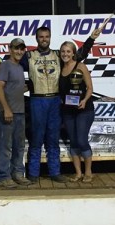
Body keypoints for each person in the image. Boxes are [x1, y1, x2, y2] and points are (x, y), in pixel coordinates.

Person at [19, 26, 100, 183]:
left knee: (53, 138)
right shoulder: (28, 56)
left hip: (55, 101)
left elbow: (80, 54)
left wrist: (91, 39)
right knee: (36, 138)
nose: (44, 39)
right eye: (41, 37)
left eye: (47, 36)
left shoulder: (58, 55)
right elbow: (13, 62)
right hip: (37, 100)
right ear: (36, 39)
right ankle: (33, 174)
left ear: (49, 38)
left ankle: (55, 172)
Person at [0, 38, 31, 188]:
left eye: (22, 49)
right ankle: (4, 176)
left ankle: (17, 173)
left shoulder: (19, 67)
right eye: (16, 48)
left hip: (20, 112)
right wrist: (6, 109)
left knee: (19, 146)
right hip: (7, 113)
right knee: (6, 146)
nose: (19, 51)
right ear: (10, 49)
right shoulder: (5, 65)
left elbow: (15, 88)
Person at [59, 41, 94, 183]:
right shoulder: (60, 68)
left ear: (73, 53)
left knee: (81, 140)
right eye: (63, 51)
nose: (65, 54)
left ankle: (88, 172)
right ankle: (78, 173)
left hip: (84, 110)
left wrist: (84, 100)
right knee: (73, 142)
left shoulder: (81, 66)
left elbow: (90, 88)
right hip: (68, 111)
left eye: (68, 51)